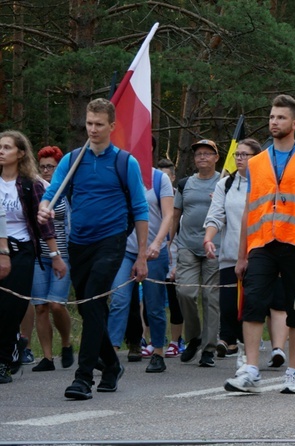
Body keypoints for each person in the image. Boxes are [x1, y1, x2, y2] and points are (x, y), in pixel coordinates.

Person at [38, 98, 149, 400]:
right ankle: (111, 365)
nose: (93, 129)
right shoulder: (73, 159)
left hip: (111, 241)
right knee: (91, 309)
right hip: (79, 242)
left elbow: (140, 210)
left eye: (99, 124)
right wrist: (44, 207)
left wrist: (141, 255)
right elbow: (52, 190)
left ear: (112, 126)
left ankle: (83, 377)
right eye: (89, 123)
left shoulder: (125, 162)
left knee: (95, 298)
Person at [225, 94, 295, 394]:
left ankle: (293, 371)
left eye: (281, 117)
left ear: (294, 123)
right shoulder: (255, 163)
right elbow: (249, 208)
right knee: (253, 302)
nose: (274, 122)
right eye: (271, 117)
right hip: (262, 243)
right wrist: (242, 254)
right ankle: (252, 370)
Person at [0, 131, 62, 383]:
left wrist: (56, 255)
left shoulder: (31, 184)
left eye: (6, 147)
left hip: (22, 252)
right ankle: (13, 345)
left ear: (21, 153)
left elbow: (44, 224)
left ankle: (4, 361)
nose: (1, 151)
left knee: (10, 308)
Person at [107, 146, 174, 373]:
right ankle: (111, 353)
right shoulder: (120, 176)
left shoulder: (159, 178)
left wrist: (157, 244)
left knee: (154, 305)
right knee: (119, 299)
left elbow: (168, 215)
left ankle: (158, 352)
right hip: (125, 250)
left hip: (154, 252)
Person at [203, 138, 261, 367]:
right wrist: (208, 238)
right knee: (228, 307)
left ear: (256, 158)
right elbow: (215, 214)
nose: (239, 158)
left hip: (258, 254)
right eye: (237, 154)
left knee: (251, 306)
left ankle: (247, 354)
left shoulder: (264, 183)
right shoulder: (225, 184)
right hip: (229, 255)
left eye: (244, 155)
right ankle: (234, 342)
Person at [171, 139, 221, 367]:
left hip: (215, 247)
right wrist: (168, 242)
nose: (202, 157)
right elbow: (175, 214)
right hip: (187, 245)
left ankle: (209, 348)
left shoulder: (225, 182)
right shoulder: (184, 184)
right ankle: (194, 337)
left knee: (211, 297)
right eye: (198, 153)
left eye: (207, 153)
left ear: (216, 157)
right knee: (185, 292)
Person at [31, 146, 74, 372]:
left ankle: (66, 343)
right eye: (43, 166)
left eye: (51, 167)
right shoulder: (35, 190)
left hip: (63, 255)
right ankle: (47, 357)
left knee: (57, 304)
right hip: (40, 257)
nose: (47, 171)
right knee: (41, 307)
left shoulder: (67, 191)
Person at [157, 159, 185, 357]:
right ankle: (154, 340)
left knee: (176, 300)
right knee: (153, 300)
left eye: (166, 176)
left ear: (173, 178)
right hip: (155, 255)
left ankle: (176, 340)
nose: (163, 180)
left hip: (176, 256)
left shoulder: (179, 199)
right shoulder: (150, 197)